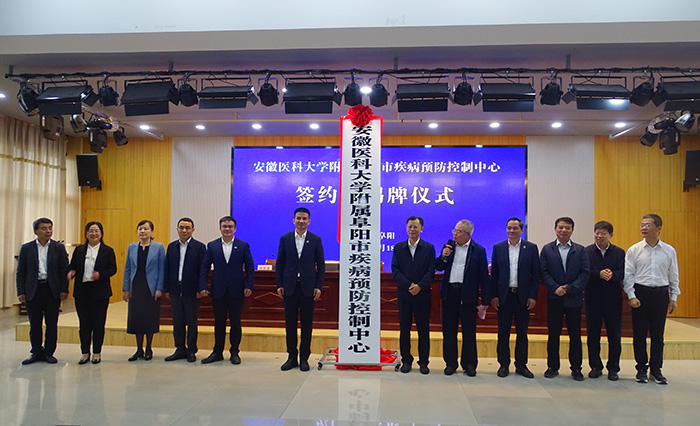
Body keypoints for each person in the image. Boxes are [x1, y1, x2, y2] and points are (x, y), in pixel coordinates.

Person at [624, 214, 680, 385]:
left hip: (660, 294)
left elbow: (673, 275)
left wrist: (673, 297)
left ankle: (656, 369)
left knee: (658, 334)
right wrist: (631, 295)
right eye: (642, 225)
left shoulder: (669, 250)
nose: (643, 228)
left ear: (658, 228)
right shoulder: (634, 250)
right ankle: (641, 368)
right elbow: (629, 275)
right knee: (639, 333)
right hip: (641, 293)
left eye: (648, 225)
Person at [435, 219, 489, 376]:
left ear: (468, 234)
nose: (454, 234)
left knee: (469, 331)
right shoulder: (448, 247)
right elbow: (438, 266)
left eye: (458, 231)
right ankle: (450, 363)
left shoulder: (478, 250)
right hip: (450, 294)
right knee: (449, 331)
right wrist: (443, 257)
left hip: (468, 295)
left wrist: (485, 300)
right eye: (454, 230)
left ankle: (469, 364)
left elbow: (484, 277)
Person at [540, 216, 590, 381]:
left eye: (567, 228)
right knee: (553, 333)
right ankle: (552, 367)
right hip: (554, 297)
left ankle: (576, 368)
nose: (563, 230)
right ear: (555, 229)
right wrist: (555, 288)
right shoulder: (547, 249)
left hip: (574, 298)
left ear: (572, 230)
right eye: (560, 227)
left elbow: (585, 273)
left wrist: (569, 288)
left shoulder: (580, 250)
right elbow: (543, 272)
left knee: (575, 334)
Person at [200, 216, 255, 365]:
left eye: (230, 226)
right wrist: (203, 286)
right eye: (224, 226)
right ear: (220, 228)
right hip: (218, 290)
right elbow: (204, 267)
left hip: (237, 290)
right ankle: (217, 352)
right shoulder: (212, 245)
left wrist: (249, 285)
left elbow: (250, 267)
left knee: (235, 323)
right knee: (219, 323)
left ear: (235, 229)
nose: (227, 229)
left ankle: (235, 352)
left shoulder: (243, 245)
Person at [276, 207, 325, 372]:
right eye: (298, 218)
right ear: (293, 220)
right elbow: (280, 263)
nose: (301, 221)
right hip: (289, 287)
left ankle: (304, 358)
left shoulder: (315, 239)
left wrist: (318, 286)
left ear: (309, 221)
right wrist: (279, 284)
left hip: (308, 288)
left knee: (307, 324)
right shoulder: (285, 238)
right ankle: (292, 357)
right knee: (290, 324)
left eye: (304, 218)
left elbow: (321, 265)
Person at [490, 217, 539, 379]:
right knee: (503, 333)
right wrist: (494, 295)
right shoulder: (498, 248)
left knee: (522, 333)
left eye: (515, 228)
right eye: (509, 228)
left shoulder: (531, 248)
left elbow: (535, 275)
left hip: (522, 297)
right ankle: (503, 364)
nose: (511, 231)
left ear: (521, 230)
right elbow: (494, 274)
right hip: (504, 297)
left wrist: (532, 295)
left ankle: (521, 365)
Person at [16, 218, 69, 365]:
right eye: (44, 228)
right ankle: (36, 352)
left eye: (50, 228)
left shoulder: (58, 248)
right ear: (36, 231)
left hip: (52, 290)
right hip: (33, 289)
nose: (48, 231)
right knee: (35, 323)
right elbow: (21, 272)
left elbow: (64, 270)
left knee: (51, 323)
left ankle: (49, 352)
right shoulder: (27, 248)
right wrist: (21, 291)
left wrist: (64, 289)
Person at [67, 222, 117, 365]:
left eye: (96, 231)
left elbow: (113, 269)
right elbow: (72, 266)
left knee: (98, 323)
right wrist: (71, 272)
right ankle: (85, 352)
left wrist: (100, 275)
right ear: (86, 233)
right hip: (82, 292)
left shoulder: (108, 250)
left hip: (100, 292)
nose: (93, 234)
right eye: (91, 231)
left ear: (101, 233)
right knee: (84, 324)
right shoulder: (79, 250)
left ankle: (96, 352)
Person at [392, 216, 436, 374]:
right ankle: (406, 361)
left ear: (421, 229)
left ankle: (424, 362)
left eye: (415, 227)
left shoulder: (429, 248)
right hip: (404, 295)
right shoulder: (399, 248)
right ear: (406, 228)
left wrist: (420, 286)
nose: (412, 229)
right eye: (410, 226)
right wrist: (409, 285)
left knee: (423, 329)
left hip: (422, 295)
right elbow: (395, 270)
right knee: (404, 329)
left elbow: (431, 271)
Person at [584, 220, 625, 381]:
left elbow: (623, 271)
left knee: (614, 334)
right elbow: (584, 272)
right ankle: (595, 366)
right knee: (593, 334)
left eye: (603, 233)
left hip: (613, 299)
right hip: (592, 298)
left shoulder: (619, 252)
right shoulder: (587, 251)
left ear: (611, 235)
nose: (599, 236)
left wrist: (613, 275)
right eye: (597, 233)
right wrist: (598, 274)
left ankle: (613, 368)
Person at [164, 217, 207, 363]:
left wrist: (201, 288)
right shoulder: (171, 247)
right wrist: (167, 288)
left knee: (191, 322)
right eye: (181, 227)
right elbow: (167, 268)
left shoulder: (199, 247)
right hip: (175, 290)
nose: (184, 230)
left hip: (192, 291)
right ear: (177, 229)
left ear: (193, 230)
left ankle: (191, 350)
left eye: (187, 228)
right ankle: (180, 349)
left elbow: (202, 270)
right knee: (177, 321)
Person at [122, 220, 165, 362]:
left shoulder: (158, 247)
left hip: (150, 288)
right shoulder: (132, 247)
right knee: (137, 318)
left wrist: (159, 288)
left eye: (146, 229)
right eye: (140, 228)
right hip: (136, 287)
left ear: (152, 231)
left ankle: (149, 348)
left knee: (149, 318)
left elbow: (162, 269)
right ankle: (139, 349)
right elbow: (128, 268)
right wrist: (125, 288)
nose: (143, 231)